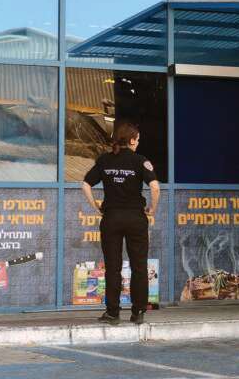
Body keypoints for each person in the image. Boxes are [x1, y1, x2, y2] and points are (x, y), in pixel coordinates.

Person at [82, 122, 160, 326]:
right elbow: (155, 187)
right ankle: (138, 312)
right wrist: (152, 209)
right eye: (138, 139)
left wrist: (95, 206)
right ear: (132, 140)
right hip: (136, 219)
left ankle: (113, 313)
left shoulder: (105, 160)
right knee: (139, 266)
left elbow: (86, 184)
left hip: (111, 218)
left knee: (113, 267)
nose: (138, 143)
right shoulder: (140, 161)